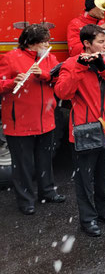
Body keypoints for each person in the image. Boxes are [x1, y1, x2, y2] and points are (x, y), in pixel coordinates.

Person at [55, 24, 105, 237]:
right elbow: (63, 92)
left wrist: (103, 67)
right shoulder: (70, 63)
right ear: (86, 43)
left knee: (104, 175)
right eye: (101, 42)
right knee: (84, 178)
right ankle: (88, 219)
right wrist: (80, 67)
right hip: (85, 128)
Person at [0, 24, 64, 215]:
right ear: (31, 43)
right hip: (19, 120)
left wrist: (44, 75)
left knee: (44, 159)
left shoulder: (50, 58)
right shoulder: (11, 58)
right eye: (44, 41)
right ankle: (26, 200)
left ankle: (47, 191)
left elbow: (58, 80)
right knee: (23, 164)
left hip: (46, 118)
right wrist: (12, 82)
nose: (47, 44)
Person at [67, 0, 105, 175]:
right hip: (86, 73)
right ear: (92, 7)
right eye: (102, 7)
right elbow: (75, 49)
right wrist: (94, 34)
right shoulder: (76, 23)